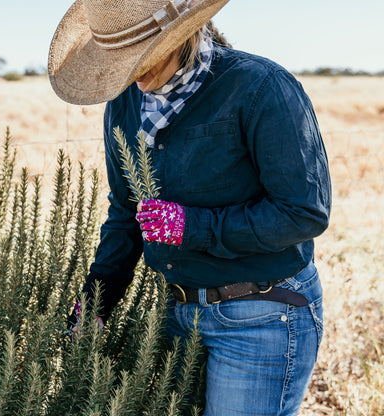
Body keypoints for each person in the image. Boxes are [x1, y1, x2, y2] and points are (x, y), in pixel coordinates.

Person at [48, 0, 332, 415]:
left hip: (262, 316)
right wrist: (97, 300)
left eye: (144, 58)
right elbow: (126, 214)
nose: (134, 75)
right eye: (122, 63)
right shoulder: (124, 105)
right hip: (175, 315)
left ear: (179, 36)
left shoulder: (260, 87)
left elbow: (304, 212)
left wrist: (191, 227)